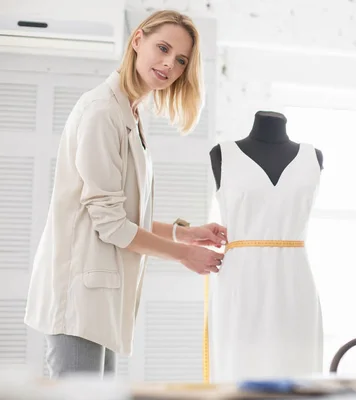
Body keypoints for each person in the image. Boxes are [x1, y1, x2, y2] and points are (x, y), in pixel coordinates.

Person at [23, 9, 226, 379]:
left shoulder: (129, 112)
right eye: (162, 48)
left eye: (181, 60)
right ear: (137, 40)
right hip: (78, 298)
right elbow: (112, 226)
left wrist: (186, 233)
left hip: (100, 302)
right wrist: (185, 255)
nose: (169, 64)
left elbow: (125, 215)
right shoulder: (102, 111)